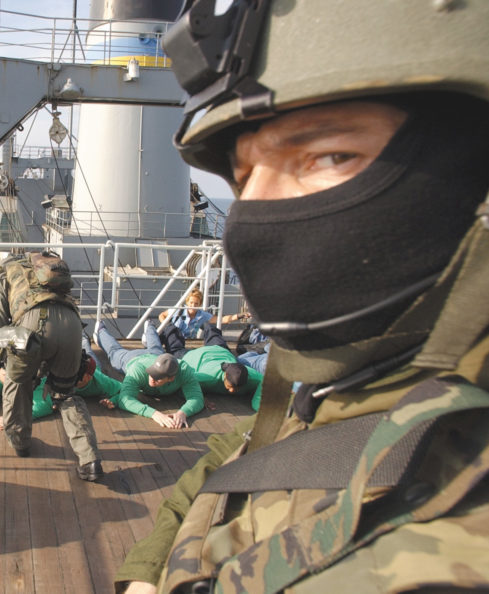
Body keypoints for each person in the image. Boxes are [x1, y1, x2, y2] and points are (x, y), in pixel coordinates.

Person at [115, 1, 489, 592]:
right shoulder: (345, 379)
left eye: (329, 156)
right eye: (243, 178)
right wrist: (146, 572)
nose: (250, 222)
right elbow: (239, 456)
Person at [0, 251, 103, 481]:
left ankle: (20, 442)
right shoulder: (47, 272)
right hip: (72, 327)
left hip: (32, 326)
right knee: (66, 394)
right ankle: (90, 461)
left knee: (17, 383)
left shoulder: (5, 274)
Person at [94, 322, 204, 428]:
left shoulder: (184, 370)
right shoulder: (138, 370)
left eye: (157, 377)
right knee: (114, 352)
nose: (152, 378)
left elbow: (197, 398)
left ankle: (150, 326)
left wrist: (183, 413)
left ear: (171, 378)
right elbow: (125, 399)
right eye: (151, 373)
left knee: (156, 348)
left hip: (157, 356)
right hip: (132, 358)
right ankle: (101, 330)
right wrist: (155, 414)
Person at [158, 289, 248, 339]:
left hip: (189, 342)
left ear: (200, 304)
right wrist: (168, 326)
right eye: (191, 302)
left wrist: (240, 315)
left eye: (196, 303)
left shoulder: (202, 315)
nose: (193, 306)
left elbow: (222, 319)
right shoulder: (178, 310)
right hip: (174, 339)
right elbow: (162, 315)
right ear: (187, 302)